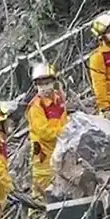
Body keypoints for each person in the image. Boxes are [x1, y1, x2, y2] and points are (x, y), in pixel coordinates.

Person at [26, 63, 69, 200]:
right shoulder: (36, 107)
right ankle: (34, 216)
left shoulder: (58, 99)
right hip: (43, 155)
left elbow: (64, 117)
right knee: (41, 191)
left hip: (59, 149)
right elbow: (45, 133)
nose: (44, 88)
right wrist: (65, 132)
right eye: (40, 85)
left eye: (47, 84)